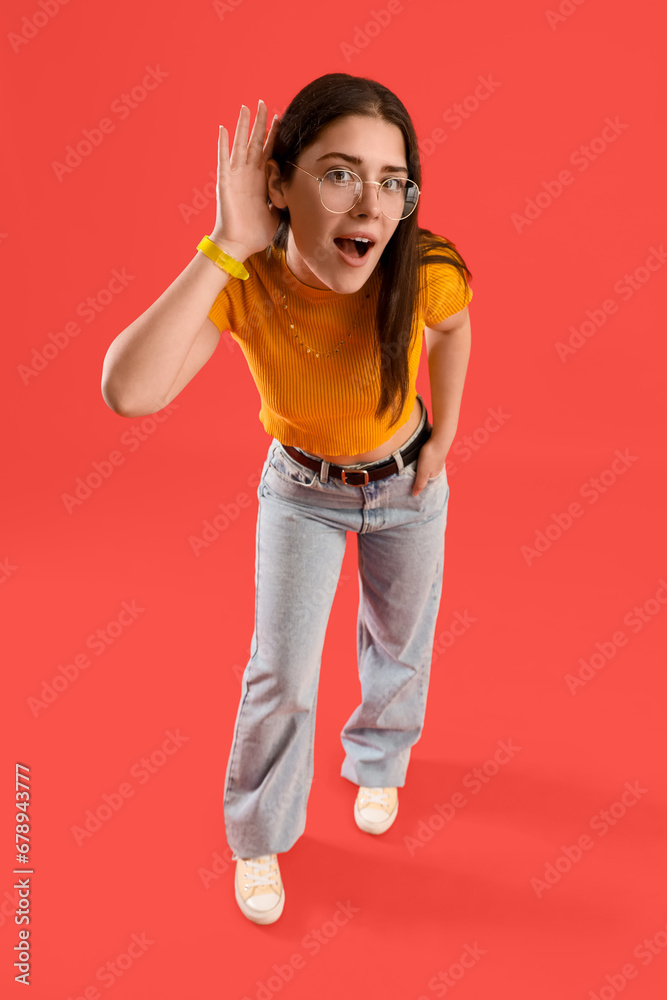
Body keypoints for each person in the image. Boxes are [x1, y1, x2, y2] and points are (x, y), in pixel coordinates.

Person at [101, 72, 473, 926]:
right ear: (278, 181)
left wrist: (444, 434)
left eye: (390, 180)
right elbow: (129, 392)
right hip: (301, 492)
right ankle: (259, 833)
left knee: (399, 642)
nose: (368, 202)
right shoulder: (247, 278)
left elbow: (451, 328)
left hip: (409, 486)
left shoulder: (424, 268)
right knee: (283, 673)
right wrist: (223, 244)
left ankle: (378, 761)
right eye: (339, 172)